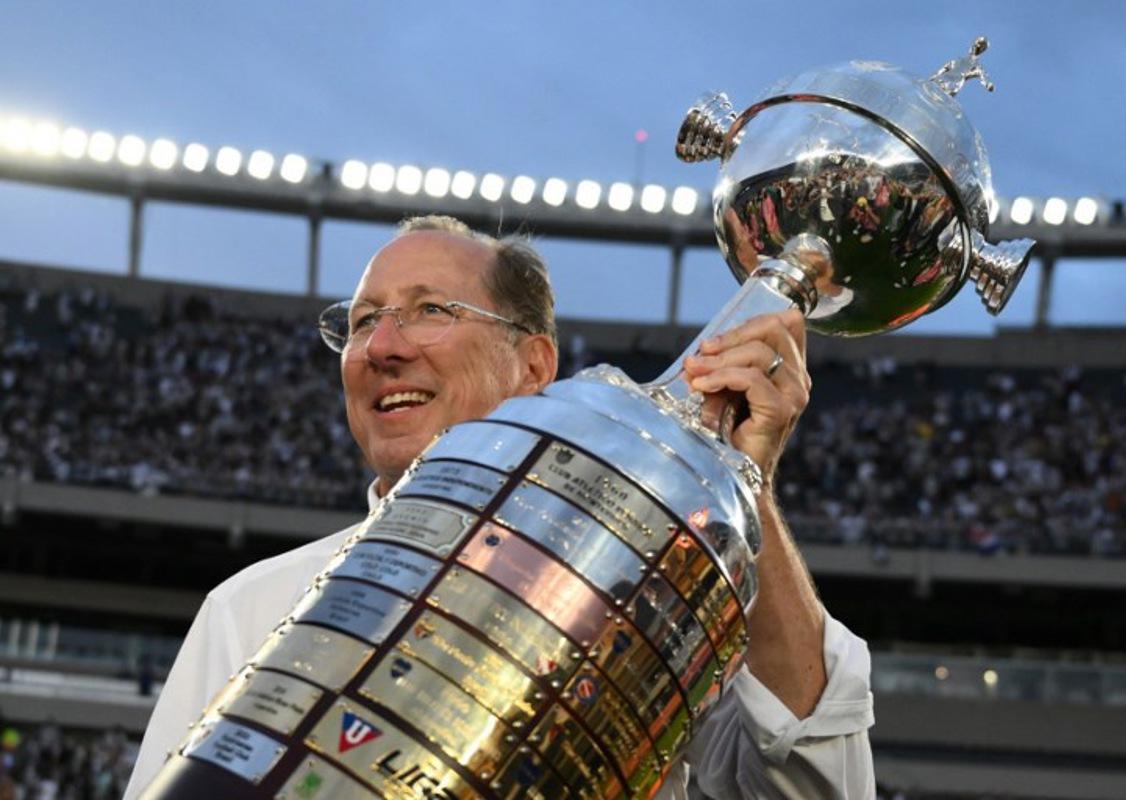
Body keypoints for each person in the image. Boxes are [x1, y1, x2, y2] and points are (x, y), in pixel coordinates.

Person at [125, 215, 874, 799]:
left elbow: (819, 783)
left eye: (429, 311)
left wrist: (744, 479)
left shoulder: (651, 603)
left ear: (535, 366)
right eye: (360, 322)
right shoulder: (249, 608)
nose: (382, 346)